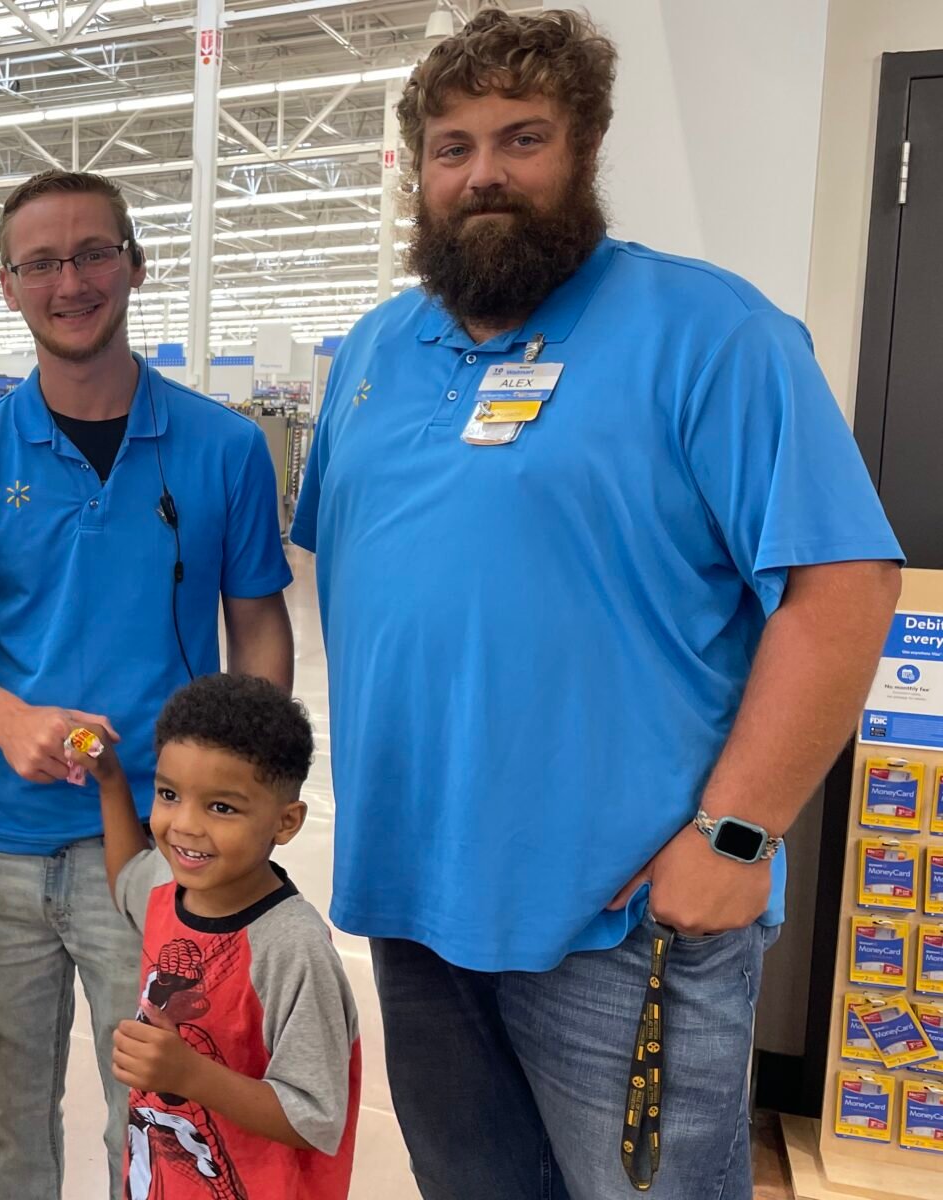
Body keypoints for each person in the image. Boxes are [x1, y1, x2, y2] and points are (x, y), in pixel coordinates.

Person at [290, 11, 903, 1199]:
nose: (481, 175)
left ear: (583, 149)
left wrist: (734, 834)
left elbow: (843, 587)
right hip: (412, 896)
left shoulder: (709, 333)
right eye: (450, 145)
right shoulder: (372, 350)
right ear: (416, 168)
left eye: (521, 139)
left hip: (624, 918)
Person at [0, 168, 297, 1199]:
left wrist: (248, 795)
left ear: (133, 263)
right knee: (9, 1131)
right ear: (7, 286)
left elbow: (256, 621)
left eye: (91, 254)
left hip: (168, 858)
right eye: (40, 263)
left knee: (162, 1127)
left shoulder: (223, 448)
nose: (68, 282)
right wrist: (3, 715)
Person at [73, 673, 359, 1200]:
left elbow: (315, 1117)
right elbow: (125, 880)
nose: (185, 825)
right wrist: (111, 778)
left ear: (287, 822)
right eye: (169, 794)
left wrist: (190, 1075)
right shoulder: (167, 885)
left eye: (221, 807)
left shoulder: (292, 949)